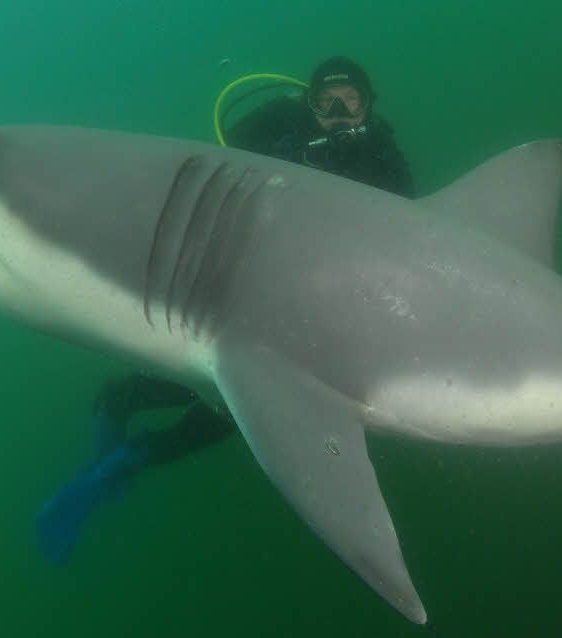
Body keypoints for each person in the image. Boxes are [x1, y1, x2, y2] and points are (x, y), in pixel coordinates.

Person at [35, 56, 415, 564]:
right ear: (308, 104)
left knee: (227, 406)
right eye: (325, 102)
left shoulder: (382, 158)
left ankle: (119, 463)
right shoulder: (281, 125)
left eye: (350, 102)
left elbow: (412, 239)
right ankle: (114, 458)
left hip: (305, 315)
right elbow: (211, 171)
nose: (337, 113)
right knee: (204, 400)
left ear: (368, 106)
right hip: (235, 298)